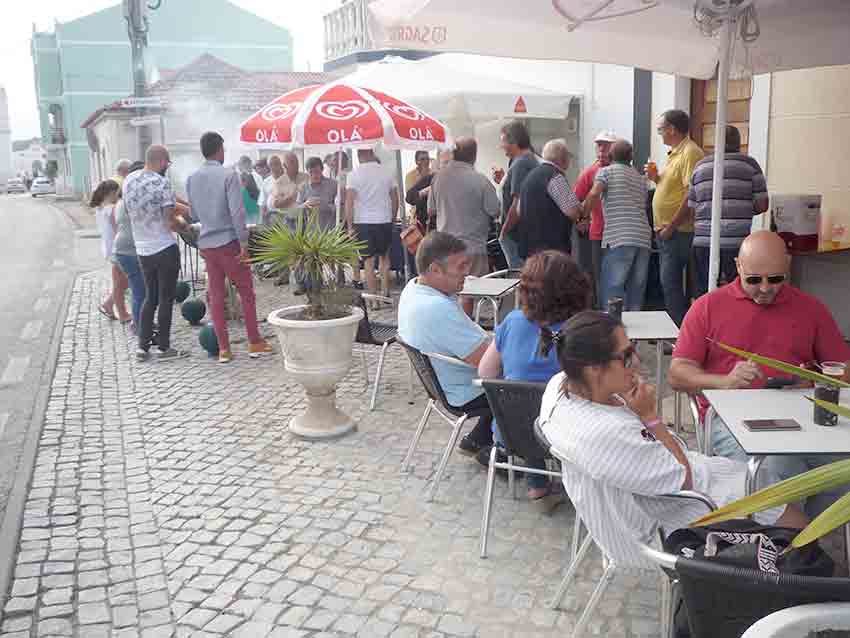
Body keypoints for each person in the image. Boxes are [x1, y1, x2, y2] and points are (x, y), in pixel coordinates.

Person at [540, 310, 807, 567]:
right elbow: (685, 481)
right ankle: (787, 591)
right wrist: (650, 417)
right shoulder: (607, 435)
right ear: (593, 369)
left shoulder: (560, 385)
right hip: (674, 521)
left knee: (776, 483)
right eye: (625, 356)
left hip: (655, 496)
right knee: (803, 528)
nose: (635, 363)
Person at [669, 231, 850, 516]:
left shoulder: (811, 308)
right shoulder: (707, 307)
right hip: (731, 416)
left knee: (843, 469)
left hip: (798, 412)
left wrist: (811, 380)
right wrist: (725, 382)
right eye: (754, 279)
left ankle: (801, 538)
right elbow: (677, 374)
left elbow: (842, 368)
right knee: (778, 469)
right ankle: (791, 539)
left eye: (776, 279)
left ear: (788, 266)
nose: (765, 288)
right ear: (738, 266)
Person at [478, 250, 590, 506]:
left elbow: (485, 373)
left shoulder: (511, 322)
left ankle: (536, 485)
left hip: (514, 434)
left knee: (527, 406)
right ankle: (580, 487)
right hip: (567, 435)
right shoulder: (583, 330)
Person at [398, 232, 494, 459]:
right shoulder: (437, 308)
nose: (466, 273)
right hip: (466, 390)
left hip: (444, 384)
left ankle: (477, 438)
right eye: (460, 267)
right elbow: (489, 364)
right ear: (435, 270)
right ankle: (506, 452)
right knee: (530, 376)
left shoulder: (413, 288)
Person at [185, 133, 272, 363]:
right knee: (246, 292)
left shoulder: (192, 178)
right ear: (219, 149)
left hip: (207, 244)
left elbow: (193, 214)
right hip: (228, 242)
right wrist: (244, 244)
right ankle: (254, 341)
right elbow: (237, 212)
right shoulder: (228, 175)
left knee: (215, 295)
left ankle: (224, 349)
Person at [123, 144, 188, 362]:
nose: (167, 168)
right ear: (161, 161)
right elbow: (170, 222)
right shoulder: (162, 184)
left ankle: (142, 347)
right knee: (166, 299)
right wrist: (186, 226)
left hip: (142, 249)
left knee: (149, 298)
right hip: (164, 248)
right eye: (167, 163)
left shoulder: (129, 180)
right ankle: (164, 347)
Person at [688, 125, 769, 296]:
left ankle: (707, 322)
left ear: (716, 143)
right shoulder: (750, 165)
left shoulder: (700, 166)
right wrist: (742, 209)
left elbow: (693, 208)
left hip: (704, 241)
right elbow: (762, 205)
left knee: (705, 293)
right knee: (738, 293)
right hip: (737, 243)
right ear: (738, 143)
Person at [427, 138, 500, 314]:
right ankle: (461, 330)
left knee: (447, 293)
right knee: (467, 293)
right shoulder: (480, 180)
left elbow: (431, 210)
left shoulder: (438, 178)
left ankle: (449, 328)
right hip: (472, 247)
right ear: (474, 156)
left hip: (444, 247)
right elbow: (495, 211)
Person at [646, 109, 705, 325]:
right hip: (667, 231)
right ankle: (678, 331)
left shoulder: (690, 152)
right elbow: (674, 189)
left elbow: (692, 194)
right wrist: (656, 178)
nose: (660, 133)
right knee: (669, 283)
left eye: (661, 129)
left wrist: (671, 226)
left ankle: (680, 333)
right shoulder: (675, 152)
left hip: (679, 231)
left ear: (672, 129)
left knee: (671, 283)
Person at [582, 139, 652, 311]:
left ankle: (611, 332)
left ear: (611, 156)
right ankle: (633, 335)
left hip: (619, 238)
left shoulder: (606, 172)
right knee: (636, 289)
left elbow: (593, 194)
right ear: (631, 157)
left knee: (613, 289)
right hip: (643, 239)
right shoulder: (641, 179)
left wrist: (582, 215)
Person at [516, 138, 582, 260]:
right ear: (563, 158)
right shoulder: (555, 176)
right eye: (569, 156)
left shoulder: (529, 177)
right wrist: (582, 212)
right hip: (552, 251)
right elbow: (572, 211)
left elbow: (519, 211)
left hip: (529, 248)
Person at [345, 148, 399, 296]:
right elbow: (395, 198)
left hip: (363, 222)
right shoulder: (387, 172)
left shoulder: (353, 175)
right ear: (372, 153)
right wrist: (393, 218)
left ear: (358, 155)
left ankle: (374, 299)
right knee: (384, 258)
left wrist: (350, 227)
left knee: (368, 262)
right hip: (384, 219)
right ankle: (385, 292)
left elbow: (349, 202)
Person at [574, 131, 617, 306]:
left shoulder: (622, 169)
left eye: (605, 145)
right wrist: (580, 220)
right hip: (598, 233)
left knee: (615, 279)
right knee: (598, 277)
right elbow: (575, 199)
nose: (601, 149)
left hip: (618, 234)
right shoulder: (590, 172)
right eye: (599, 145)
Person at [496, 121, 539, 269]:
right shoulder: (530, 159)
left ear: (513, 141)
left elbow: (517, 203)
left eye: (503, 141)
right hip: (526, 232)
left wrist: (504, 231)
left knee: (518, 277)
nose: (501, 146)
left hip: (516, 234)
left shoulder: (520, 164)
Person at [91, 179, 131, 324]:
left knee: (121, 281)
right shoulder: (112, 208)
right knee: (122, 282)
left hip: (109, 247)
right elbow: (118, 229)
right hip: (117, 248)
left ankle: (109, 305)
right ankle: (122, 313)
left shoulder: (100, 208)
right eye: (117, 192)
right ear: (111, 193)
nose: (118, 195)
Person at [112, 161, 146, 332]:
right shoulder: (134, 199)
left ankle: (138, 323)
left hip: (121, 249)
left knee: (136, 288)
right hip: (131, 250)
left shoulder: (121, 199)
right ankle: (139, 326)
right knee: (140, 290)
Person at [404, 151, 431, 224]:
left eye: (427, 159)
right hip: (417, 219)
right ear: (416, 161)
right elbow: (411, 198)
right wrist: (424, 177)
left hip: (432, 217)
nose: (426, 161)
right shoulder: (410, 176)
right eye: (422, 159)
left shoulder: (433, 173)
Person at [237, 155, 261, 226]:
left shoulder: (255, 176)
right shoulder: (239, 177)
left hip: (253, 210)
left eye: (240, 165)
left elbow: (258, 194)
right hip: (247, 211)